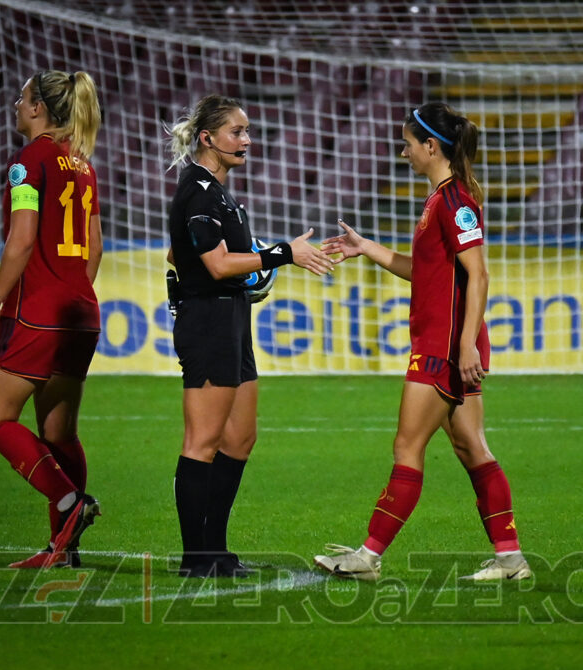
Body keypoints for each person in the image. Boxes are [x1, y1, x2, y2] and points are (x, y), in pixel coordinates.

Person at [314, 103, 530, 581]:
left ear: (431, 146)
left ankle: (367, 556)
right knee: (472, 447)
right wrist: (367, 248)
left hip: (444, 345)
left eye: (408, 143)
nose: (404, 151)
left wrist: (466, 346)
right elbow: (429, 273)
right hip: (451, 342)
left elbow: (479, 275)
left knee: (407, 447)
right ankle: (511, 558)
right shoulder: (441, 200)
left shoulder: (454, 202)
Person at [165, 94, 334, 578]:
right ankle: (195, 556)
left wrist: (248, 268)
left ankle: (215, 548)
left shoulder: (218, 194)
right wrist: (281, 255)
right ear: (208, 139)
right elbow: (216, 265)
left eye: (247, 131)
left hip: (232, 319)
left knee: (239, 438)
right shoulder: (198, 192)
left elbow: (182, 255)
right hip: (208, 323)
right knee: (203, 440)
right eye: (237, 132)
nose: (247, 140)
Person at [0, 70, 104, 569]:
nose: (16, 103)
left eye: (22, 97)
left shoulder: (28, 161)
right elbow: (93, 246)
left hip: (37, 312)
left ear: (37, 110)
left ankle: (69, 502)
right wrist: (74, 293)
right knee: (59, 434)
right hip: (81, 311)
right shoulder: (84, 165)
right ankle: (63, 550)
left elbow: (22, 239)